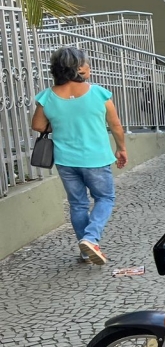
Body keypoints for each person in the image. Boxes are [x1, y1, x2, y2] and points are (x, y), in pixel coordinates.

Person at [32, 47, 127, 265]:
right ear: (77, 68)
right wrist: (121, 148)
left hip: (66, 160)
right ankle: (91, 239)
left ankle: (85, 252)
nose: (89, 67)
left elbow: (37, 125)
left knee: (78, 205)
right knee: (105, 198)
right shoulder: (99, 93)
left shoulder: (47, 96)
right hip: (96, 158)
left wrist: (60, 122)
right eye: (86, 63)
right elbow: (115, 125)